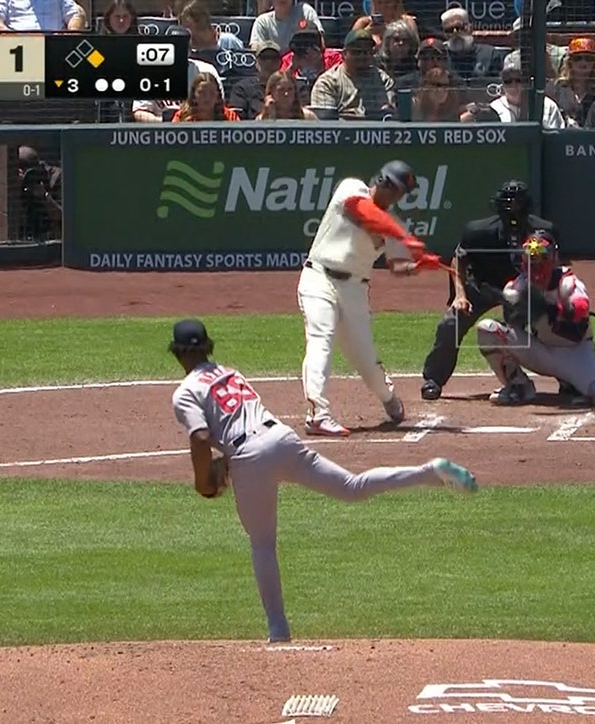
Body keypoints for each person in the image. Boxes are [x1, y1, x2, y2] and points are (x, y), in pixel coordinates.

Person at [168, 318, 477, 644]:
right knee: (352, 487)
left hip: (249, 456)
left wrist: (203, 481)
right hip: (281, 438)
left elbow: (201, 437)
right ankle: (427, 472)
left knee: (262, 543)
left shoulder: (186, 392)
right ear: (207, 347)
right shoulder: (230, 372)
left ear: (177, 354)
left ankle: (279, 632)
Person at [297, 160, 432, 437]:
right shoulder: (352, 188)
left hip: (355, 291)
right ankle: (318, 415)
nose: (398, 198)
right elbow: (364, 213)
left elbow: (396, 266)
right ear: (383, 182)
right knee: (321, 338)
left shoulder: (392, 224)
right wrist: (404, 237)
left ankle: (388, 397)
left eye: (402, 194)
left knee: (365, 359)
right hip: (319, 277)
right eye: (397, 190)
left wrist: (417, 266)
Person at [420, 180, 557, 401]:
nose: (513, 208)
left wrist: (542, 297)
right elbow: (458, 259)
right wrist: (460, 295)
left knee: (553, 319)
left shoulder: (543, 231)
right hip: (482, 286)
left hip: (522, 290)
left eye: (518, 202)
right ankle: (433, 379)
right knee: (451, 322)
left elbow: (554, 265)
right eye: (508, 203)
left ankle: (568, 379)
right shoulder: (478, 231)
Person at [475, 231, 595, 408]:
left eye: (542, 258)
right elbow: (513, 323)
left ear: (553, 258)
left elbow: (581, 310)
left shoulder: (567, 283)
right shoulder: (519, 286)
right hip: (542, 352)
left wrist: (549, 309)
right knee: (488, 330)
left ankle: (571, 384)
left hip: (576, 353)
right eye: (532, 258)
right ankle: (518, 386)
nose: (536, 264)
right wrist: (514, 306)